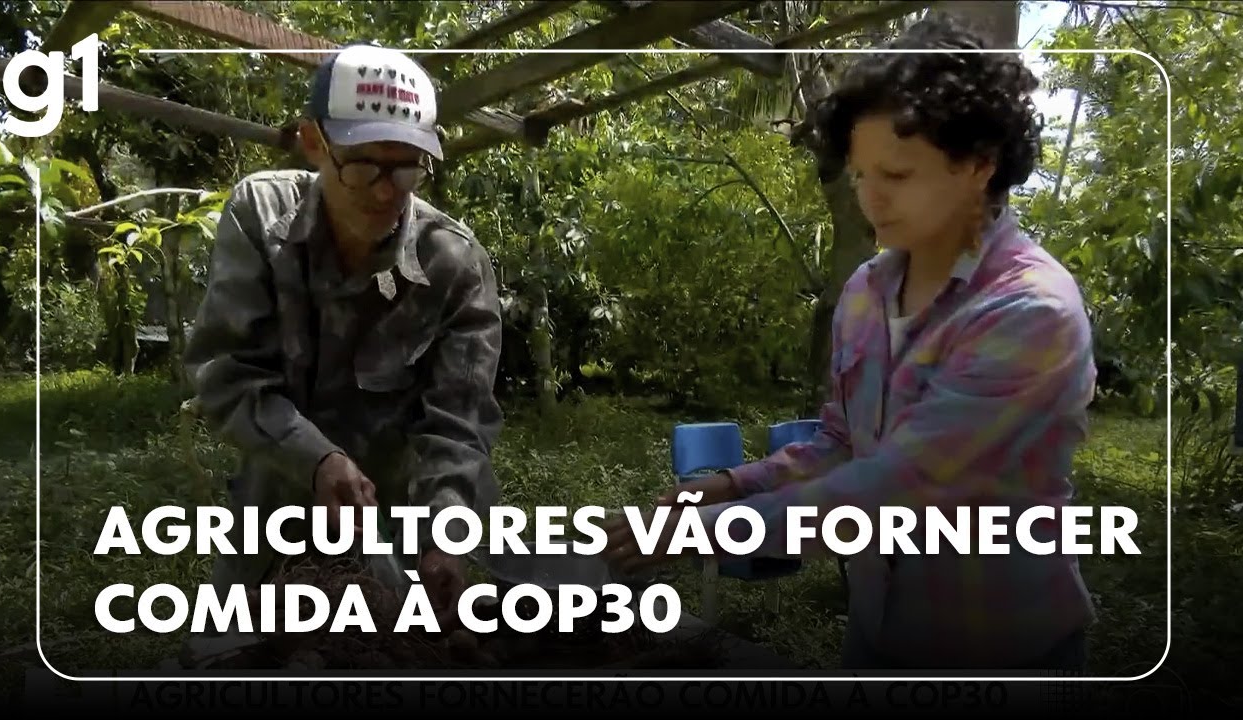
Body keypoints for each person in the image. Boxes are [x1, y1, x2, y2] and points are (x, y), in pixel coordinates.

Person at [603, 14, 1097, 672]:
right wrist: (726, 484)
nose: (873, 200)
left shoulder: (1029, 312)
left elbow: (899, 488)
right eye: (861, 176)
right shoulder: (869, 290)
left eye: (896, 176)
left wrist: (699, 533)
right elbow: (841, 444)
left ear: (980, 165)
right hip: (877, 634)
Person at [179, 44, 502, 666]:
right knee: (234, 661)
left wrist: (446, 532)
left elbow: (459, 423)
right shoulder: (259, 216)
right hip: (277, 501)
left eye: (407, 168)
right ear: (313, 142)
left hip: (409, 513)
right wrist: (317, 458)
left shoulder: (454, 263)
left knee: (433, 654)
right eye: (364, 167)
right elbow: (227, 375)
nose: (386, 193)